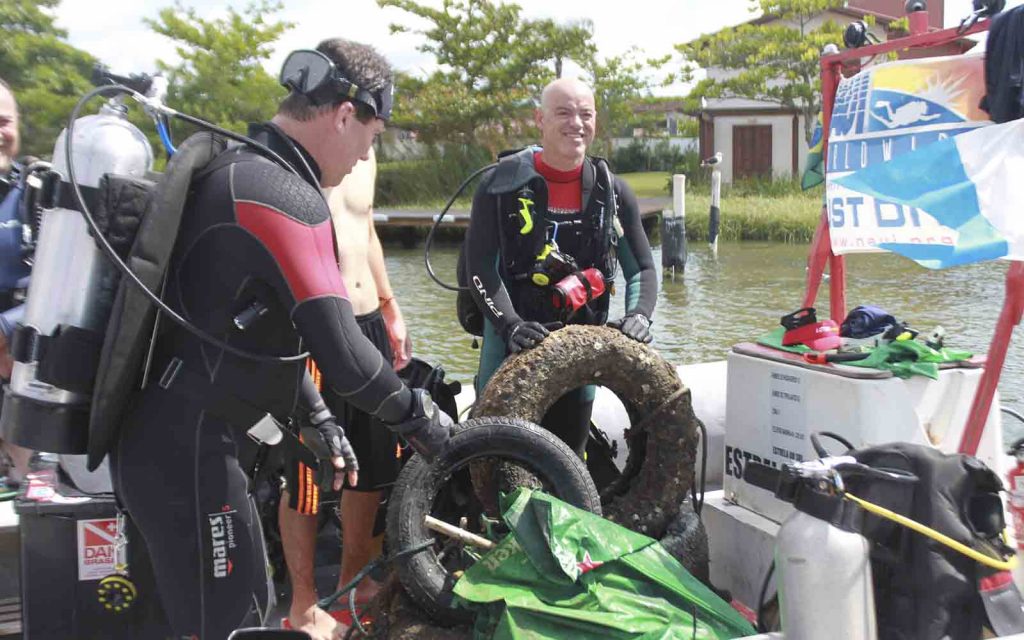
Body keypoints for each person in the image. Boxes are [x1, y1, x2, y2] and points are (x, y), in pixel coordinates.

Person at [109, 39, 451, 639]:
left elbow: (247, 325)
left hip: (168, 441)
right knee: (239, 619)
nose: (363, 157)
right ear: (346, 116)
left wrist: (316, 416)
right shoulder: (286, 196)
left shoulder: (238, 166)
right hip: (190, 456)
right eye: (371, 140)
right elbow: (345, 355)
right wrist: (424, 422)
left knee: (208, 614)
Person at [465, 77, 657, 457]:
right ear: (540, 118)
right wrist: (510, 324)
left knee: (569, 458)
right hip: (511, 338)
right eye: (563, 113)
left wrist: (640, 315)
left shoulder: (614, 192)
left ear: (596, 120)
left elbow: (644, 271)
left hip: (581, 346)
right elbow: (480, 267)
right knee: (493, 458)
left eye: (585, 114)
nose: (576, 123)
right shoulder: (498, 186)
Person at [279, 146, 412, 639]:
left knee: (375, 464)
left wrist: (390, 307)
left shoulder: (365, 149)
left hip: (368, 321)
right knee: (309, 474)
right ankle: (303, 603)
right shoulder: (298, 150)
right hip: (317, 326)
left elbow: (366, 229)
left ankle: (355, 582)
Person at [0, 78, 33, 486]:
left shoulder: (41, 195)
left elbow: (84, 283)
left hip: (24, 375)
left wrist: (8, 329)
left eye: (5, 121)